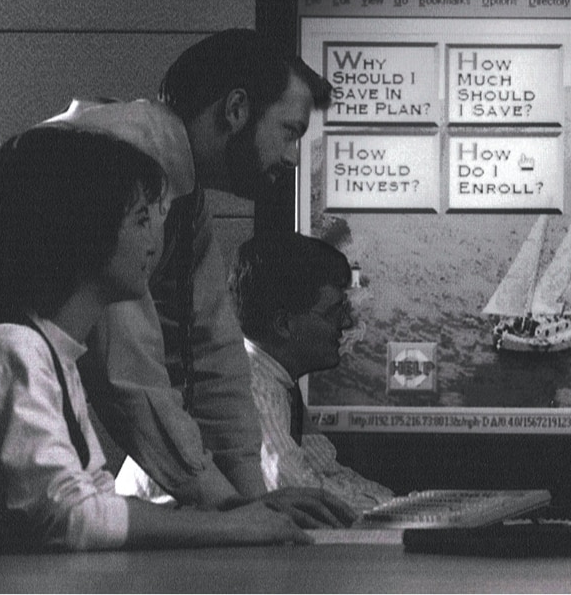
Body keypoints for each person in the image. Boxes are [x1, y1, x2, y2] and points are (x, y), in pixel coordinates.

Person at [33, 30, 350, 526]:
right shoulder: (123, 161)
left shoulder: (181, 190)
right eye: (289, 132)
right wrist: (227, 505)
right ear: (237, 109)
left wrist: (248, 496)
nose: (291, 158)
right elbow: (130, 376)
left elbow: (212, 352)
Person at [0, 127, 308, 554]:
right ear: (84, 229)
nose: (155, 240)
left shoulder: (55, 356)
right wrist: (234, 528)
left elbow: (93, 501)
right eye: (141, 219)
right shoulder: (12, 348)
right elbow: (71, 518)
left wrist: (234, 512)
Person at [230, 233, 397, 511]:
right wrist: (391, 511)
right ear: (283, 324)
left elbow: (325, 470)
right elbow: (296, 490)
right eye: (334, 312)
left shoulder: (276, 382)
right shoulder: (253, 386)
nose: (346, 322)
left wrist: (401, 506)